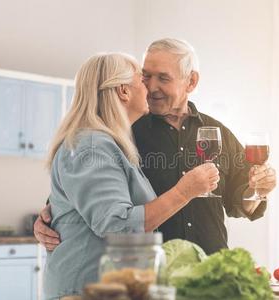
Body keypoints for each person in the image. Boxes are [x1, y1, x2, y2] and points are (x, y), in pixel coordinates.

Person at [35, 38, 277, 256]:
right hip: (152, 277)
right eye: (145, 77)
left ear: (191, 81)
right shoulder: (124, 132)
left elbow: (240, 204)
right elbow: (82, 190)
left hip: (212, 269)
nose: (151, 87)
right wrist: (48, 217)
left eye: (163, 78)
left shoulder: (217, 133)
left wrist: (257, 190)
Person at [42, 52, 219, 299]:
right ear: (124, 91)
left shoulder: (109, 144)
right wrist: (184, 191)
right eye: (142, 79)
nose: (149, 88)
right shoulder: (93, 146)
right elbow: (117, 226)